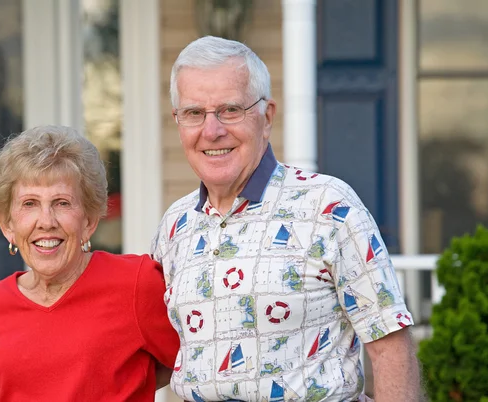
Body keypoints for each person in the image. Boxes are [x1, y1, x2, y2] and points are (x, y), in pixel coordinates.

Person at [151, 36, 421, 401]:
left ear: (267, 117)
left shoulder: (328, 207)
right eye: (194, 113)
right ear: (178, 121)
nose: (211, 130)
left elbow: (389, 341)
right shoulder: (174, 226)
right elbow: (161, 354)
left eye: (230, 110)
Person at [0, 125, 179, 401]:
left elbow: (194, 360)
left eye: (62, 203)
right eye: (30, 203)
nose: (46, 221)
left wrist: (129, 384)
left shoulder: (136, 284)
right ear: (7, 224)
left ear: (89, 221)